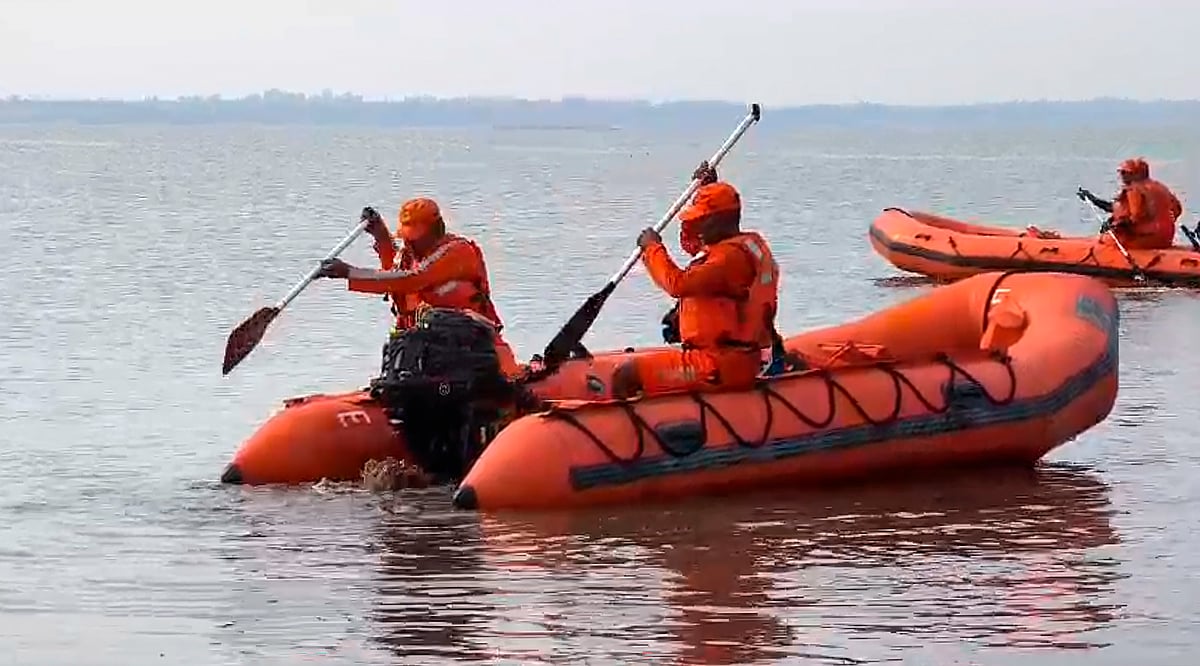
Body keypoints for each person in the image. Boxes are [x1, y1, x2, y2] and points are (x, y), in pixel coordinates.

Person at [611, 165, 781, 399]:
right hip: (732, 357)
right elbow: (692, 244)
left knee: (626, 375)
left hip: (719, 364)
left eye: (702, 220)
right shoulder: (739, 244)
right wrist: (707, 189)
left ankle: (626, 421)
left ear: (720, 221)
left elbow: (677, 284)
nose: (697, 226)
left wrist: (652, 248)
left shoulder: (729, 260)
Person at [316, 198, 520, 376]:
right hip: (422, 350)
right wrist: (381, 235)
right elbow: (393, 278)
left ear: (436, 229)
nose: (411, 243)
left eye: (417, 237)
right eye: (408, 237)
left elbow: (413, 279)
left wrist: (350, 272)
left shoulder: (457, 251)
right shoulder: (409, 254)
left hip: (471, 347)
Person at [1077, 158, 1183, 250]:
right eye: (1122, 173)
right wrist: (1093, 200)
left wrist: (1116, 225)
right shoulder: (1160, 187)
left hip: (1146, 239)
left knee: (1104, 240)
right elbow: (1178, 209)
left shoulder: (1134, 190)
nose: (1122, 176)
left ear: (1136, 174)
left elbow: (1135, 216)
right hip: (1167, 238)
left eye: (1125, 173)